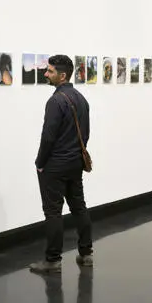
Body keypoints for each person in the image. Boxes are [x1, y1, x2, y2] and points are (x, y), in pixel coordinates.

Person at [29, 54, 93, 274]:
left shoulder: (55, 101)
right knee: (79, 207)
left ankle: (53, 260)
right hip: (75, 163)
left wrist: (40, 162)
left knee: (53, 212)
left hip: (55, 165)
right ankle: (86, 253)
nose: (46, 74)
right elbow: (86, 133)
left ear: (62, 75)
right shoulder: (81, 99)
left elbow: (48, 138)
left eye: (50, 71)